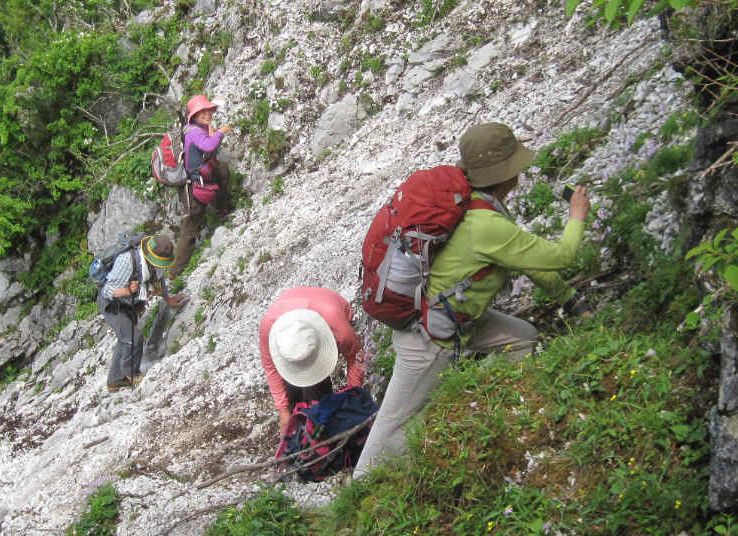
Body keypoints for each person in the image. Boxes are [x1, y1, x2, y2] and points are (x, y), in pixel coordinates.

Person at [353, 122, 592, 478]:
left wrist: (571, 300)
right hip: (428, 341)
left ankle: (469, 399)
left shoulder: (476, 205)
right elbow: (560, 257)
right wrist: (577, 216)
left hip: (450, 321)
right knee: (378, 451)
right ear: (504, 174)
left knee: (523, 339)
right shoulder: (487, 224)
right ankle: (434, 437)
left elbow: (527, 261)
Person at [259, 287, 365, 435]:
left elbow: (358, 358)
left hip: (330, 307)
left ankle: (321, 425)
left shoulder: (338, 328)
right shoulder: (269, 326)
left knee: (316, 392)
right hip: (290, 303)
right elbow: (270, 368)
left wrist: (352, 394)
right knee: (292, 393)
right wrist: (283, 410)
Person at [100, 234, 187, 391]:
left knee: (124, 339)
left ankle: (115, 381)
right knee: (134, 338)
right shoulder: (127, 260)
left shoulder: (154, 264)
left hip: (131, 305)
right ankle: (131, 373)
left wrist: (168, 299)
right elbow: (107, 290)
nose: (161, 266)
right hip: (113, 305)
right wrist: (126, 290)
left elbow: (158, 281)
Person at [168, 94, 233, 279]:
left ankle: (222, 211)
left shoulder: (199, 128)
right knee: (190, 227)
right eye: (202, 112)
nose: (207, 115)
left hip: (204, 177)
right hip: (195, 185)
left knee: (222, 170)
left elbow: (209, 148)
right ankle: (175, 271)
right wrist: (220, 133)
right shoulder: (194, 132)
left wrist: (213, 135)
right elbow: (208, 146)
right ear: (194, 115)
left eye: (209, 111)